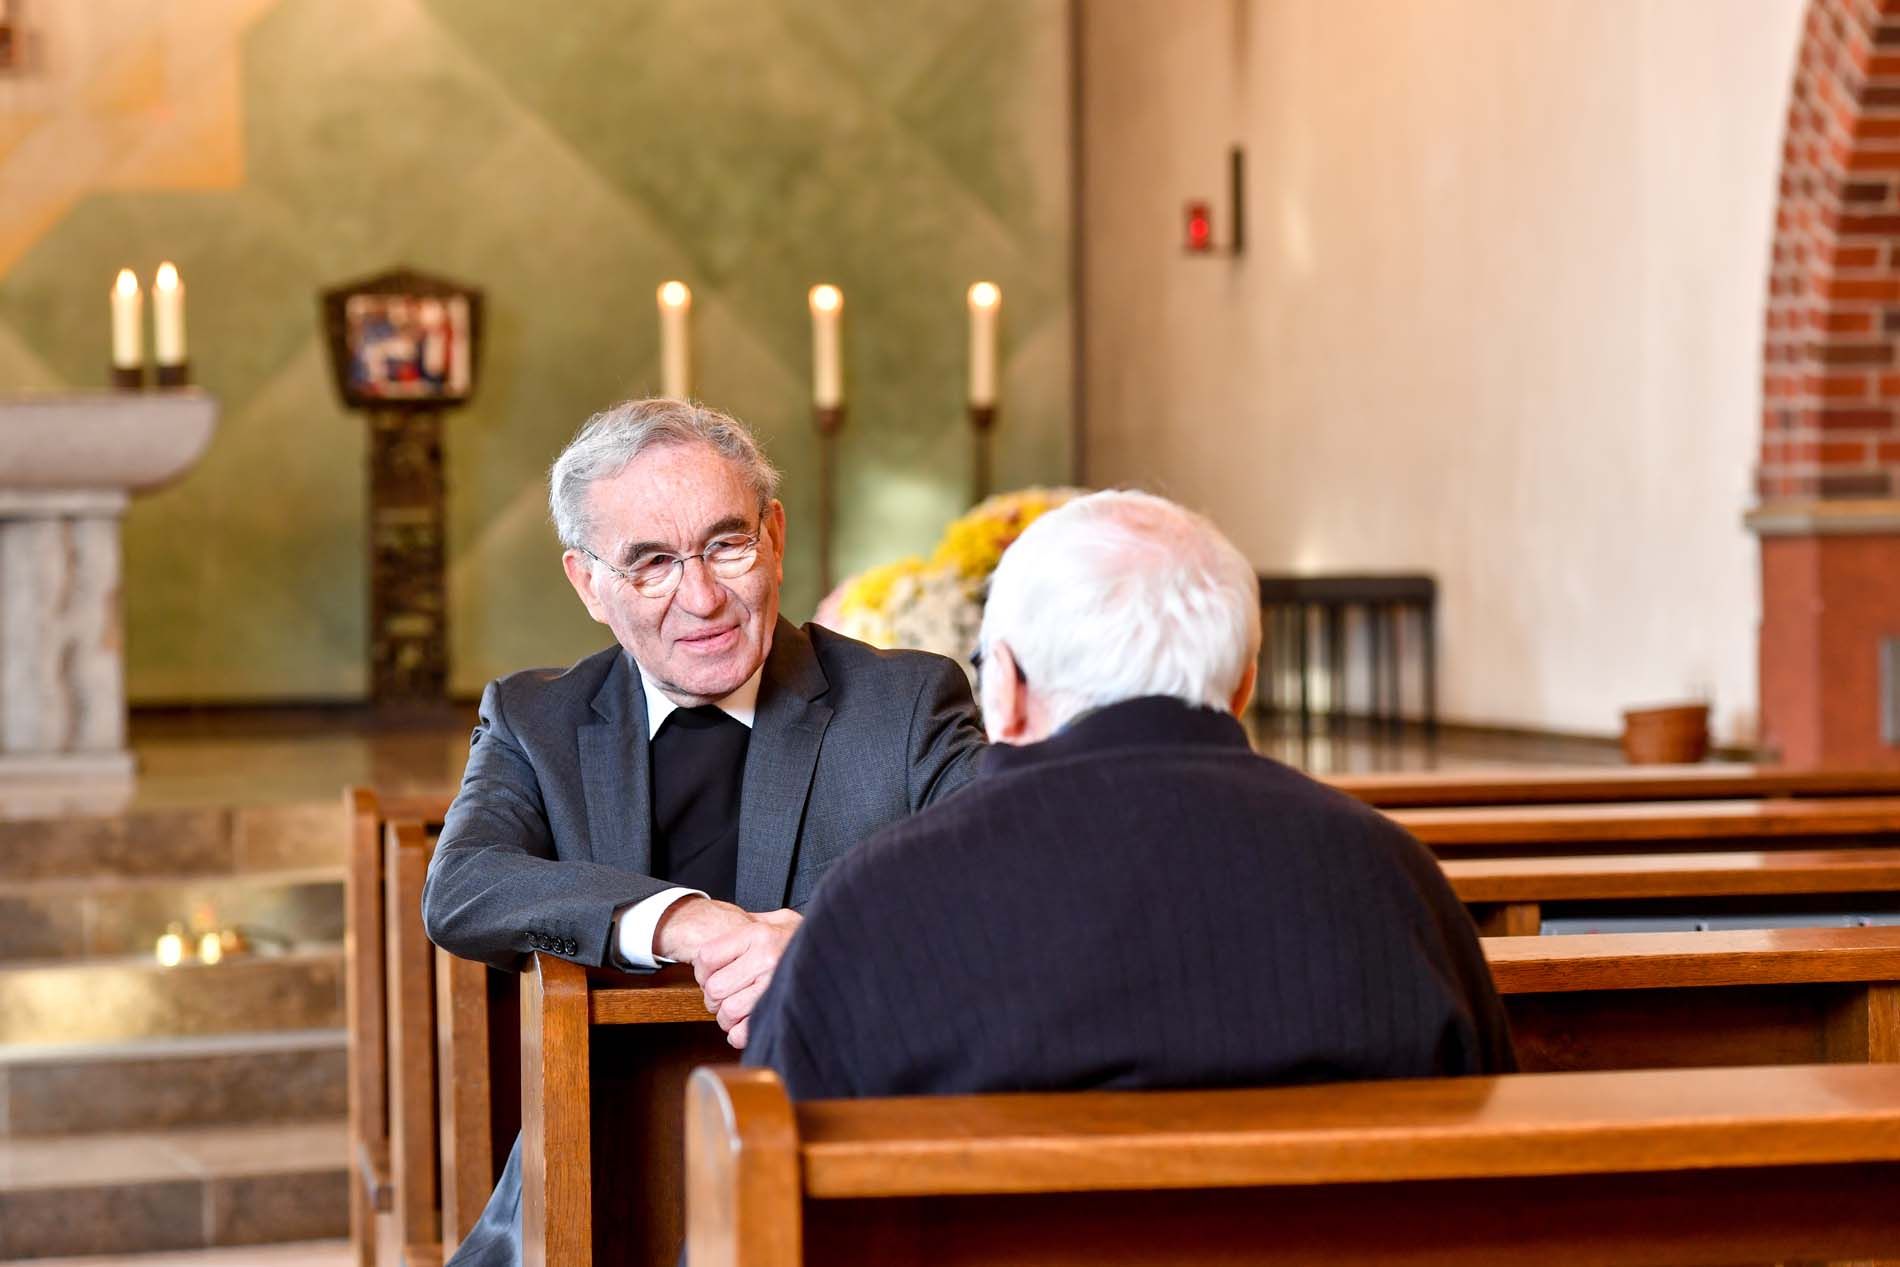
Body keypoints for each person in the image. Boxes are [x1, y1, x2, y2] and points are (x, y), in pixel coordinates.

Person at [422, 398, 984, 1266]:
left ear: (777, 534)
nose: (704, 596)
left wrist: (817, 937)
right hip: (587, 1198)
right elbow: (462, 885)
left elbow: (1000, 878)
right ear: (588, 583)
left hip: (838, 1197)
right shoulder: (537, 719)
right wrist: (684, 918)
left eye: (728, 543)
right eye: (651, 562)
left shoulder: (904, 706)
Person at [745, 489, 1514, 1099]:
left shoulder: (878, 903)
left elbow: (761, 1202)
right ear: (1242, 685)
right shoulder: (1393, 877)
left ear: (1005, 685)